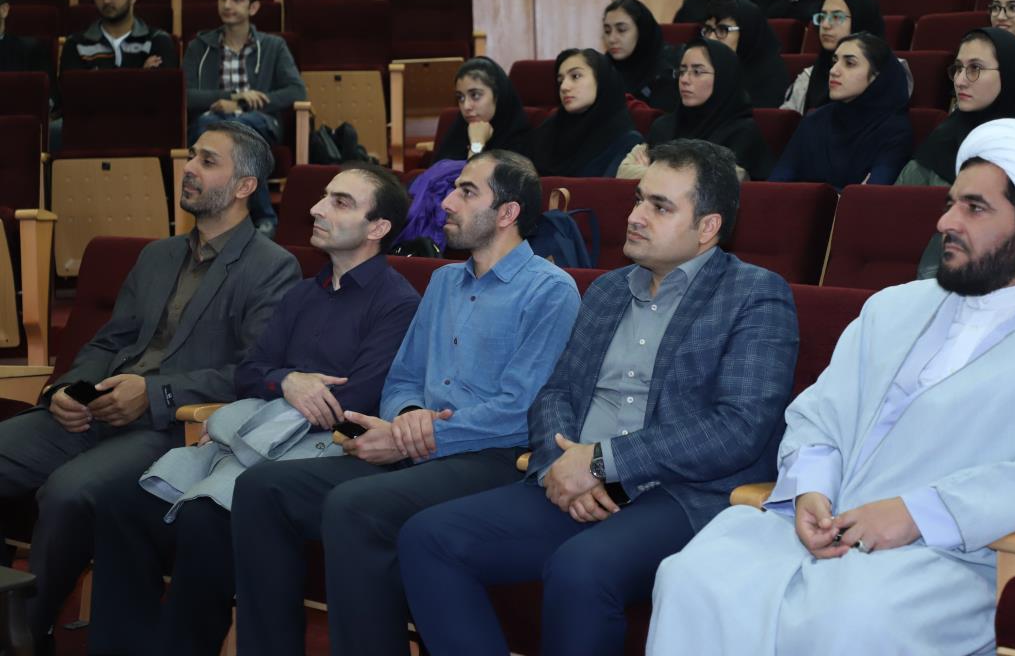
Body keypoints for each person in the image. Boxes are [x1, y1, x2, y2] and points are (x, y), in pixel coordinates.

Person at [647, 119, 1015, 656]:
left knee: (851, 620)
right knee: (693, 577)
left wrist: (918, 513)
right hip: (825, 530)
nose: (945, 221)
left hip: (954, 559)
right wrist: (812, 489)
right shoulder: (892, 308)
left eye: (974, 208)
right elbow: (820, 415)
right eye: (950, 203)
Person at [398, 138, 800, 655]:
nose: (635, 216)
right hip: (577, 476)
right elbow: (556, 392)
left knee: (580, 569)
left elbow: (737, 428)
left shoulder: (754, 294)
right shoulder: (609, 290)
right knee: (428, 538)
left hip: (677, 493)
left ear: (707, 227)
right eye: (638, 199)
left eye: (660, 207)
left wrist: (602, 463)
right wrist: (561, 466)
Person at [229, 150, 581, 656]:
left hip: (493, 456)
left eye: (467, 192)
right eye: (453, 189)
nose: (447, 202)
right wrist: (408, 416)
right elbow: (402, 379)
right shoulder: (443, 281)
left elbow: (519, 409)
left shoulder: (551, 290)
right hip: (418, 447)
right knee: (262, 488)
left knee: (355, 506)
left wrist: (416, 436)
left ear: (507, 213)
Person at [83, 163, 420, 656]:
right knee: (121, 502)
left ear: (378, 228)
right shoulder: (303, 293)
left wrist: (280, 385)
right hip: (255, 440)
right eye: (323, 196)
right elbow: (250, 371)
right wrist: (289, 381)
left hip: (326, 452)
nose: (316, 208)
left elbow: (355, 400)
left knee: (205, 519)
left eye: (340, 202)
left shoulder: (397, 303)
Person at [0, 121, 300, 654]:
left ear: (245, 186)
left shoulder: (272, 268)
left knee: (69, 493)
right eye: (192, 157)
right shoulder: (157, 255)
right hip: (94, 410)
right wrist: (68, 389)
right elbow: (108, 340)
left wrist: (154, 391)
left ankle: (23, 634)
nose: (189, 168)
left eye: (208, 161)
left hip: (170, 428)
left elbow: (251, 372)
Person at [182, 0, 307, 237]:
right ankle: (265, 219)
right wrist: (234, 98)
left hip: (259, 122)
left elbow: (297, 90)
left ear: (253, 7)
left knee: (240, 128)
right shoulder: (199, 46)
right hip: (209, 124)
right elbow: (184, 95)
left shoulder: (273, 46)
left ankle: (226, 219)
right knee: (222, 129)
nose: (227, 4)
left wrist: (249, 105)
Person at [896, 27, 1015, 187]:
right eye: (958, 68)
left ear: (1010, 73)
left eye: (975, 68)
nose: (959, 81)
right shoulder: (941, 141)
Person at [769, 33, 912, 188]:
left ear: (877, 76)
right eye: (834, 61)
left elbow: (871, 194)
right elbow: (776, 186)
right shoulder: (814, 121)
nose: (833, 70)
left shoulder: (895, 130)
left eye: (849, 63)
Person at [619, 39, 775, 181]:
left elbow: (719, 184)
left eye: (697, 72)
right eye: (682, 71)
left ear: (722, 77)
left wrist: (652, 172)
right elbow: (623, 172)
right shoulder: (662, 127)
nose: (684, 80)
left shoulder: (742, 133)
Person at [782, 0, 913, 115]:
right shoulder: (808, 77)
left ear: (860, 20)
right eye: (822, 17)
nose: (825, 25)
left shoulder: (889, 70)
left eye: (836, 17)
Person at [528, 47, 644, 177]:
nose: (564, 87)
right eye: (560, 81)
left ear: (600, 79)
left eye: (575, 76)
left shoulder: (626, 141)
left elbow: (607, 188)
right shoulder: (548, 130)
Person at [60, 0, 178, 71]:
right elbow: (74, 86)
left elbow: (161, 85)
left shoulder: (158, 40)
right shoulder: (75, 44)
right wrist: (141, 73)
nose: (106, 0)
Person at [431, 56, 532, 163]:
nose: (466, 106)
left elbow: (473, 175)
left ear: (498, 96)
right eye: (460, 97)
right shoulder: (456, 134)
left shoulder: (519, 143)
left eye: (475, 95)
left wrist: (476, 145)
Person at [702, 0, 790, 107]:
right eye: (708, 29)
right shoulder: (702, 68)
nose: (711, 38)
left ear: (747, 33)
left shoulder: (772, 77)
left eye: (722, 30)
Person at [603, 0, 678, 111]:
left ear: (642, 31)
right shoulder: (603, 69)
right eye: (607, 31)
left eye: (621, 30)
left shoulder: (666, 72)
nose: (611, 39)